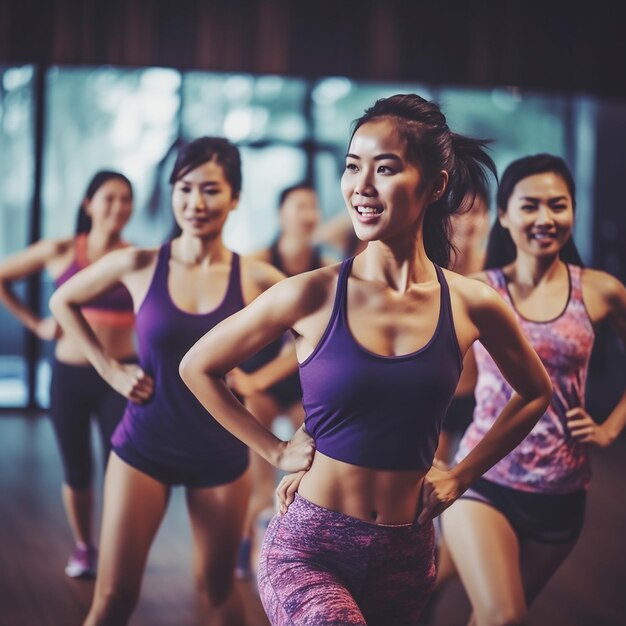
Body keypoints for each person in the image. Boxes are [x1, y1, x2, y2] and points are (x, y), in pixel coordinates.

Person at [180, 93, 553, 626]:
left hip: (406, 553)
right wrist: (275, 449)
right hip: (310, 547)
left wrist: (463, 475)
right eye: (353, 167)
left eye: (386, 168)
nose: (362, 186)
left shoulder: (472, 303)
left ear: (436, 186)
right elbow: (198, 366)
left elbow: (535, 392)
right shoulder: (309, 294)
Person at [49, 137, 312, 626]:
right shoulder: (140, 263)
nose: (195, 203)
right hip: (144, 445)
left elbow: (315, 337)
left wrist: (257, 380)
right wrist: (111, 369)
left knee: (216, 592)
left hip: (221, 452)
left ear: (234, 198)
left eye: (211, 190)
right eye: (184, 188)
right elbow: (62, 300)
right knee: (113, 598)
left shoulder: (254, 276)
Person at [440, 153, 626, 626]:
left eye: (557, 205)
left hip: (562, 493)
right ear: (505, 215)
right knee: (503, 615)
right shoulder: (478, 291)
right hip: (481, 479)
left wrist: (609, 429)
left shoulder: (601, 292)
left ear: (573, 211)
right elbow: (432, 377)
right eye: (529, 206)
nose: (545, 218)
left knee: (492, 617)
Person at [0, 170, 135, 579]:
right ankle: (84, 547)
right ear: (88, 204)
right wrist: (36, 324)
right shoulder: (60, 250)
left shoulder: (135, 257)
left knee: (121, 471)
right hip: (70, 376)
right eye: (108, 198)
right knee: (77, 470)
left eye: (126, 199)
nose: (118, 207)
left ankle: (115, 547)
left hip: (121, 378)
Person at [229, 182, 333, 580]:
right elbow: (234, 328)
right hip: (260, 379)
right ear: (281, 214)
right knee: (258, 480)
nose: (307, 214)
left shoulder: (325, 269)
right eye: (298, 206)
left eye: (312, 207)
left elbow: (311, 341)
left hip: (302, 383)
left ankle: (308, 546)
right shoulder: (256, 264)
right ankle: (246, 540)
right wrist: (249, 381)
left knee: (317, 460)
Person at [434, 184, 491, 468]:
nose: (468, 221)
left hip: (483, 399)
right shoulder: (432, 273)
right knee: (431, 478)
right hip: (438, 398)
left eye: (476, 212)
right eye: (459, 213)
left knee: (474, 481)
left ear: (489, 218)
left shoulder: (498, 276)